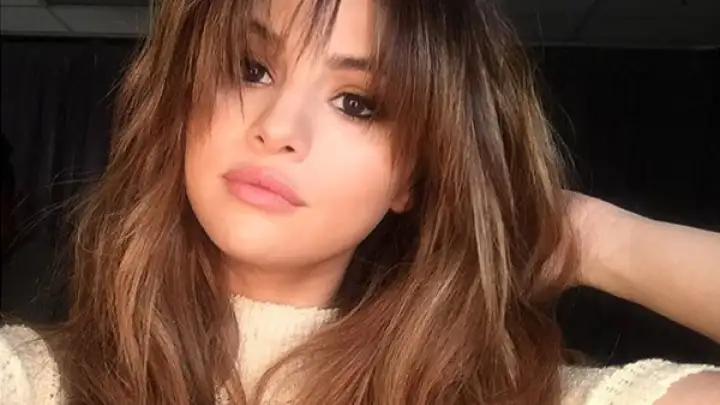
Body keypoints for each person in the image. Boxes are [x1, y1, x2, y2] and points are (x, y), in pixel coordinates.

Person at [0, 0, 718, 404]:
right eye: (251, 68)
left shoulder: (512, 397)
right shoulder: (36, 379)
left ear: (413, 177)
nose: (278, 127)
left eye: (357, 103)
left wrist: (591, 238)